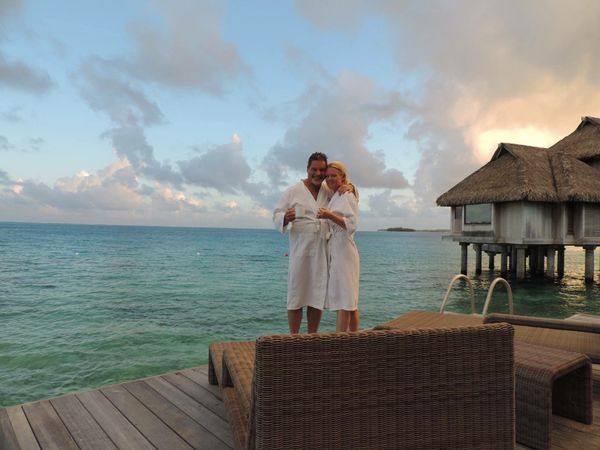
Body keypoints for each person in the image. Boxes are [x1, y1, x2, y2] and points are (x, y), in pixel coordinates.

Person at [273, 152, 331, 334]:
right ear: (307, 169)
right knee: (296, 296)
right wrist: (285, 217)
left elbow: (347, 193)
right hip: (300, 250)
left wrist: (350, 188)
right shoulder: (293, 191)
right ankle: (294, 339)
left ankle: (312, 338)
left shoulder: (329, 191)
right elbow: (276, 214)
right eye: (314, 169)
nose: (318, 173)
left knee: (317, 296)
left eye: (322, 170)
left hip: (322, 249)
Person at [317, 161, 360, 332]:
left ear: (342, 176)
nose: (329, 179)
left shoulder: (346, 195)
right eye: (327, 176)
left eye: (333, 175)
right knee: (350, 301)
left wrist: (328, 214)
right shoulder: (335, 194)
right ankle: (357, 340)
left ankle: (340, 342)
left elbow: (351, 224)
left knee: (345, 301)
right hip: (336, 250)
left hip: (345, 250)